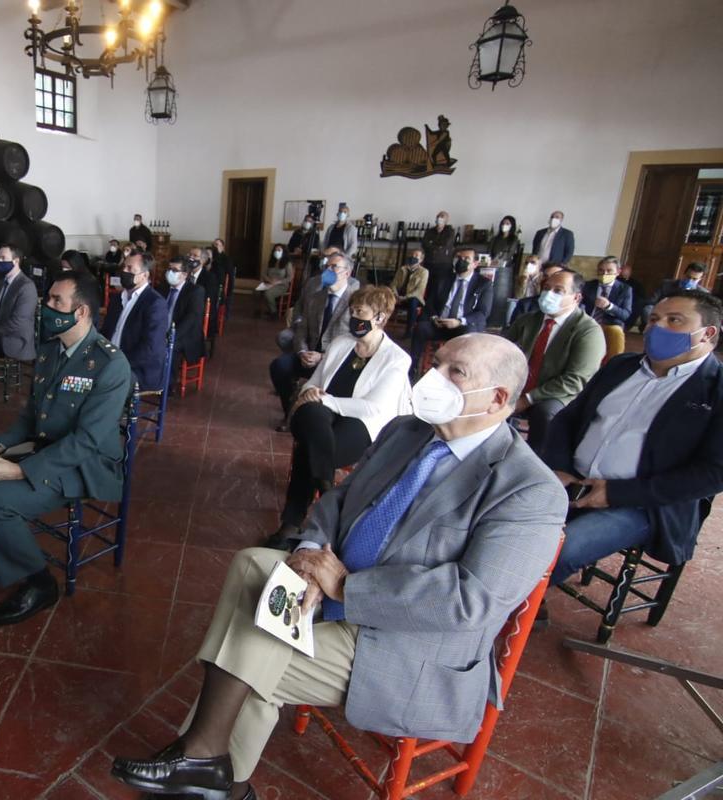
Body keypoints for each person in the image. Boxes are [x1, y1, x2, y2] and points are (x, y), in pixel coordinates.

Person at [110, 333, 564, 800]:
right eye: (437, 363)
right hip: (332, 594)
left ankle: (207, 760)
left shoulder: (528, 490)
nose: (432, 378)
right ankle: (211, 770)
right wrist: (311, 556)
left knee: (245, 654)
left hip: (408, 647)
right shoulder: (406, 431)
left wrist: (347, 587)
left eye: (455, 372)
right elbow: (341, 500)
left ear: (498, 399)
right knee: (252, 565)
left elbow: (470, 602)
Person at [0, 270, 131, 626]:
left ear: (81, 312)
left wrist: (20, 469)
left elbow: (86, 441)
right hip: (41, 447)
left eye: (57, 301)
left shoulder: (111, 365)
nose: (47, 306)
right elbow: (29, 417)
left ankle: (40, 583)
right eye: (48, 299)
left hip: (82, 465)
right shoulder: (50, 351)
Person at [541, 289, 723, 593]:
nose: (657, 326)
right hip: (572, 478)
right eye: (653, 318)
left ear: (707, 333)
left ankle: (511, 617)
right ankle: (528, 599)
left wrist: (619, 492)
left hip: (644, 503)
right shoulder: (621, 367)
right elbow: (567, 418)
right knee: (501, 525)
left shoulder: (715, 391)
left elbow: (713, 473)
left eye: (674, 320)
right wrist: (558, 466)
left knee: (561, 551)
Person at [266, 286, 412, 548]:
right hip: (319, 417)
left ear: (379, 317)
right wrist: (312, 393)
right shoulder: (341, 344)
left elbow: (373, 408)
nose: (353, 317)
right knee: (312, 417)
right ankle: (327, 494)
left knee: (309, 448)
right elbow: (314, 382)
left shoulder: (397, 359)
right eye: (352, 311)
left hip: (360, 424)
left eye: (360, 312)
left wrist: (327, 400)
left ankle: (290, 524)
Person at [504, 268, 606, 454]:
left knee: (546, 413)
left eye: (558, 291)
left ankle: (537, 463)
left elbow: (575, 380)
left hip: (557, 394)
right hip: (519, 385)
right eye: (547, 288)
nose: (548, 294)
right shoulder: (527, 320)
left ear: (576, 298)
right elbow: (501, 351)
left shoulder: (588, 331)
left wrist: (528, 398)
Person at [270, 253, 357, 431]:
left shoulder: (355, 302)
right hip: (308, 355)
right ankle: (290, 413)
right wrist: (302, 352)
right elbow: (301, 329)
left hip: (334, 361)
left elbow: (353, 341)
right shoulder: (316, 297)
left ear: (347, 273)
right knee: (279, 366)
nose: (328, 270)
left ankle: (320, 420)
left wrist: (322, 356)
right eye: (327, 266)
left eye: (334, 267)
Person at [410, 248, 494, 376]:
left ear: (475, 264)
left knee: (469, 333)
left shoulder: (483, 284)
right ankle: (413, 368)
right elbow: (430, 304)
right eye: (459, 258)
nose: (461, 261)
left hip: (462, 326)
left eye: (467, 259)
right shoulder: (444, 279)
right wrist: (433, 318)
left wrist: (459, 321)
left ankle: (459, 373)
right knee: (420, 328)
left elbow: (482, 313)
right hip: (439, 324)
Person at [101, 251, 170, 391]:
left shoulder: (155, 304)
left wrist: (118, 363)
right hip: (112, 360)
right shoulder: (116, 299)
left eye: (130, 269)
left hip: (138, 369)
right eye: (124, 267)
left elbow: (150, 349)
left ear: (144, 275)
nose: (124, 271)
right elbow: (106, 333)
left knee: (101, 384)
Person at [0, 245, 38, 362]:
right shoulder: (0, 284)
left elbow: (18, 322)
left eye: (3, 258)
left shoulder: (26, 286)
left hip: (15, 340)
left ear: (16, 261)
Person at [580, 256, 633, 360]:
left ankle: (613, 365)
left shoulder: (625, 289)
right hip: (588, 321)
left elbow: (626, 314)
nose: (604, 274)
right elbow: (580, 304)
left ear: (618, 272)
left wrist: (609, 306)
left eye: (609, 271)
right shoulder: (588, 285)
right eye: (601, 270)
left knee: (616, 332)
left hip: (610, 324)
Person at [161, 255, 206, 368]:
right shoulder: (162, 288)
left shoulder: (195, 291)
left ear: (185, 274)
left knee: (170, 348)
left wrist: (170, 337)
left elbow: (191, 319)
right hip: (161, 331)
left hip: (183, 334)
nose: (170, 272)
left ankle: (168, 384)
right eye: (169, 269)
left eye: (175, 270)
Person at [642, 262, 708, 328]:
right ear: (683, 274)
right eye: (688, 277)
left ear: (700, 279)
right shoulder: (666, 284)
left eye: (694, 279)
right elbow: (651, 301)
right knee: (647, 309)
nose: (689, 280)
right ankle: (653, 328)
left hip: (683, 317)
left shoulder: (702, 293)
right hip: (663, 312)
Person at [487, 215, 523, 327]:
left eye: (507, 224)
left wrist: (500, 260)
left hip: (505, 270)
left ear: (512, 226)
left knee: (500, 296)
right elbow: (489, 252)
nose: (504, 225)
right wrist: (491, 261)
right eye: (503, 223)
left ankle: (497, 322)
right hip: (491, 268)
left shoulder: (514, 240)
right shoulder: (495, 239)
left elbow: (510, 254)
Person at [509, 261, 562, 326]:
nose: (548, 281)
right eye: (545, 276)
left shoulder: (569, 309)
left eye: (554, 277)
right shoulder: (525, 305)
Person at [390, 249, 429, 337]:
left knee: (413, 301)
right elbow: (394, 284)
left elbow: (419, 290)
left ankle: (409, 331)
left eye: (416, 256)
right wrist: (395, 295)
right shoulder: (402, 269)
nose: (413, 257)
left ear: (421, 259)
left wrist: (405, 297)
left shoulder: (424, 272)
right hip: (398, 296)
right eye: (412, 255)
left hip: (413, 297)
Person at [421, 210, 457, 295]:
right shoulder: (429, 231)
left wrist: (432, 244)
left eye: (442, 217)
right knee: (427, 286)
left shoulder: (450, 231)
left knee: (439, 288)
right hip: (429, 263)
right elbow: (424, 244)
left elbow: (445, 244)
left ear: (446, 220)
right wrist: (437, 246)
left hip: (443, 265)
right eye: (438, 216)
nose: (439, 218)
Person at [255, 245, 292, 318]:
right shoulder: (271, 262)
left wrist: (278, 282)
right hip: (269, 282)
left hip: (281, 285)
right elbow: (264, 273)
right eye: (275, 250)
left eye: (279, 250)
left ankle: (274, 312)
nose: (276, 252)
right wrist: (269, 280)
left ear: (283, 252)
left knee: (268, 293)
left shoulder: (287, 263)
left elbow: (290, 277)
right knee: (256, 291)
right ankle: (263, 310)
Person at [618, 262, 647, 331]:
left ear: (630, 272)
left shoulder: (636, 284)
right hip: (617, 299)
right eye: (622, 269)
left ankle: (627, 326)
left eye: (626, 270)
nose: (623, 272)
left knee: (638, 304)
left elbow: (642, 296)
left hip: (632, 302)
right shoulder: (615, 280)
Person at [212, 238, 236, 313]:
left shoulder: (226, 259)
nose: (215, 247)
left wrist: (229, 292)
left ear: (222, 247)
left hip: (220, 284)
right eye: (213, 245)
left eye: (217, 245)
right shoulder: (211, 257)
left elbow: (230, 276)